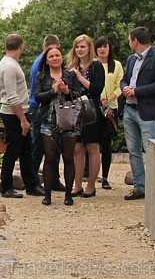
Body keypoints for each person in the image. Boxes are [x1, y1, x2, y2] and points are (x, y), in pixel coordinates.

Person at [120, 27, 155, 200]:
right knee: (133, 151)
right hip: (129, 109)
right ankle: (139, 187)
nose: (129, 43)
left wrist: (137, 91)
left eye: (129, 40)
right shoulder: (131, 59)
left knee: (151, 151)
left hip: (147, 112)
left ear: (135, 41)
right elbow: (125, 78)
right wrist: (124, 88)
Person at [0, 34, 44, 199]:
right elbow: (11, 96)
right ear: (21, 47)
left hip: (20, 111)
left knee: (26, 150)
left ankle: (31, 184)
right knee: (12, 150)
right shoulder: (9, 66)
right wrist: (22, 119)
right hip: (13, 113)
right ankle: (6, 187)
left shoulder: (10, 63)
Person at [33, 45, 80, 206]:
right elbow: (37, 97)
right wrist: (53, 91)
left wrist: (67, 91)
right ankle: (47, 194)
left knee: (68, 157)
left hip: (68, 120)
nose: (55, 58)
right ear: (46, 60)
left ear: (62, 58)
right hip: (48, 120)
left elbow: (78, 95)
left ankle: (68, 194)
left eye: (57, 55)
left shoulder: (70, 75)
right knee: (50, 157)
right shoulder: (41, 76)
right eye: (51, 56)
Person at [67, 34, 105, 198]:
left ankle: (91, 185)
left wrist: (80, 77)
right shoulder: (73, 66)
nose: (79, 49)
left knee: (92, 147)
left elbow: (96, 88)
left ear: (89, 48)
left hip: (91, 111)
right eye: (77, 47)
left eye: (83, 46)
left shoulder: (97, 66)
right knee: (77, 148)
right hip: (76, 111)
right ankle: (77, 185)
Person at [28, 34, 66, 192]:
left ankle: (54, 179)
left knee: (55, 146)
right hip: (40, 107)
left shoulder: (40, 61)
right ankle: (33, 182)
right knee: (39, 146)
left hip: (52, 108)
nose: (55, 58)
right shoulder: (42, 65)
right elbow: (39, 91)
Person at [95, 36, 124, 190]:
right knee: (91, 144)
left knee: (107, 144)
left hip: (110, 108)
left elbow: (121, 85)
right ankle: (90, 175)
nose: (102, 49)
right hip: (95, 106)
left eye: (105, 46)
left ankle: (105, 177)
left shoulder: (116, 65)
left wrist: (111, 98)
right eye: (99, 46)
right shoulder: (93, 64)